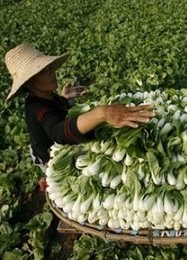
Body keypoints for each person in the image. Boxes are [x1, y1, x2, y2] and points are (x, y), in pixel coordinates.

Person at [5, 43, 154, 191]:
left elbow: (55, 112)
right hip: (48, 154)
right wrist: (101, 113)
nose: (51, 73)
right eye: (42, 72)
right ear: (29, 82)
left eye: (49, 68)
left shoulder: (45, 95)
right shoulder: (35, 107)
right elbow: (58, 132)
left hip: (59, 144)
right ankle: (47, 179)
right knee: (55, 172)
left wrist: (65, 99)